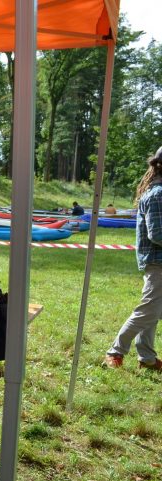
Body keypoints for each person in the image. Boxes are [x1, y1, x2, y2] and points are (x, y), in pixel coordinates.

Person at [104, 145, 162, 371]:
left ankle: (146, 357)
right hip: (157, 262)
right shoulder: (158, 194)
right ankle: (115, 351)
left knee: (153, 311)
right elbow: (157, 234)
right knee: (148, 310)